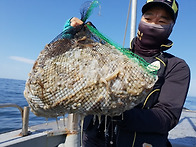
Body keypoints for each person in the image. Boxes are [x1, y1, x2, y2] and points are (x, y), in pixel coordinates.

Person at [63, 0, 190, 146]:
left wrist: (119, 113)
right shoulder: (115, 55)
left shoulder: (176, 67)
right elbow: (80, 73)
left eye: (161, 21)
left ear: (171, 27)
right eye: (148, 19)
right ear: (140, 20)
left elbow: (166, 116)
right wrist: (73, 39)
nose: (153, 25)